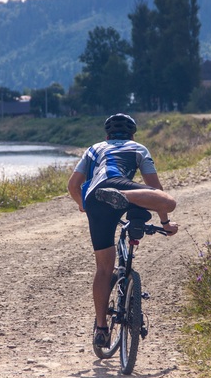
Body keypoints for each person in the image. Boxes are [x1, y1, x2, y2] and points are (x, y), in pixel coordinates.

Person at [67, 113, 179, 348]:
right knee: (168, 200)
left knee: (104, 268)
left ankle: (101, 328)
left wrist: (84, 206)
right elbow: (154, 189)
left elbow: (73, 185)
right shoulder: (138, 148)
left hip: (95, 198)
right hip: (120, 188)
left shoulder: (94, 148)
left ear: (107, 135)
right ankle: (123, 197)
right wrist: (166, 223)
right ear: (132, 134)